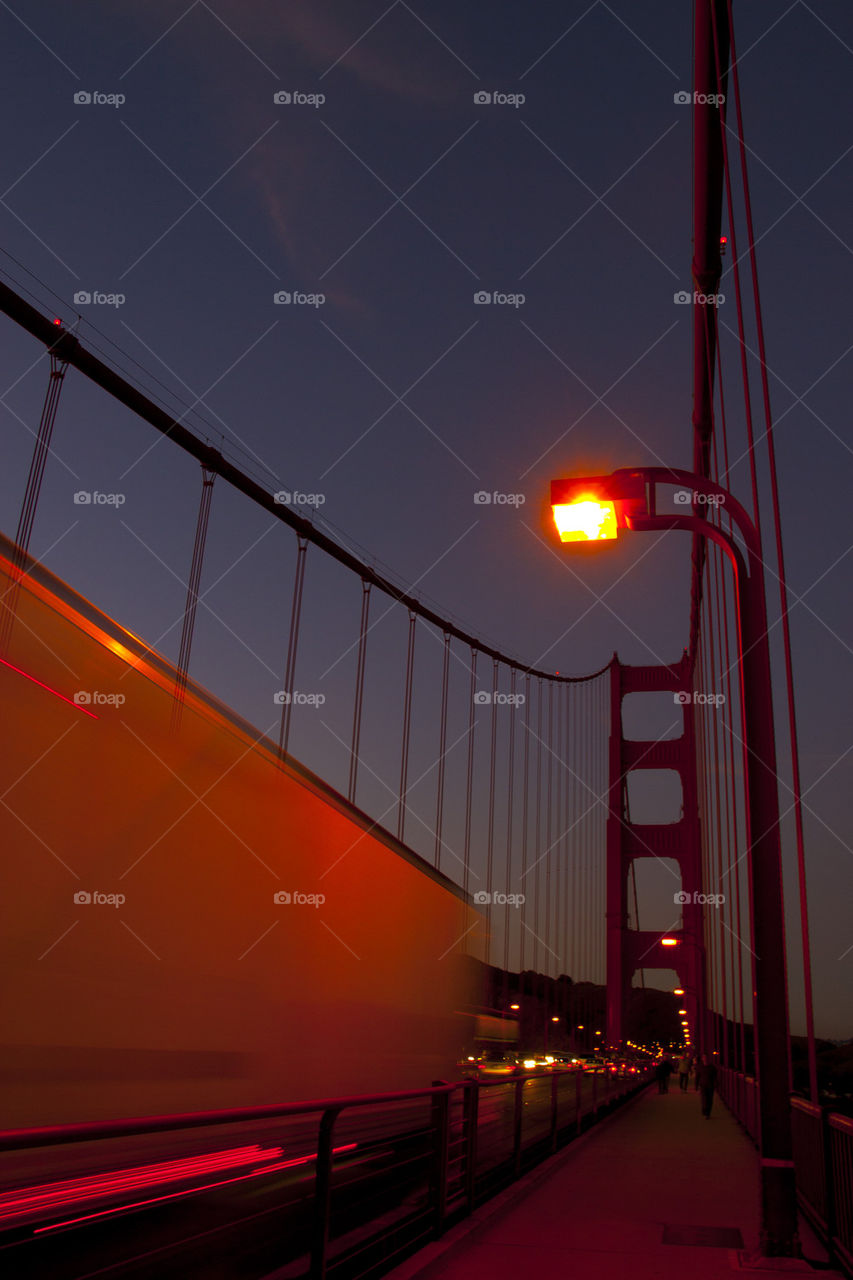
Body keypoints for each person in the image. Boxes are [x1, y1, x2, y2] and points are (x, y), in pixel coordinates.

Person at [696, 1053, 718, 1118]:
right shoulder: (700, 1067)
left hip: (710, 1085)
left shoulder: (712, 1067)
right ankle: (704, 1109)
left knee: (710, 1100)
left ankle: (708, 1113)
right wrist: (696, 1086)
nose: (705, 1059)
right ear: (702, 1059)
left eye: (706, 1058)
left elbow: (715, 1077)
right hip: (703, 1085)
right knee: (704, 1099)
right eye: (704, 1058)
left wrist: (716, 1084)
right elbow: (697, 1076)